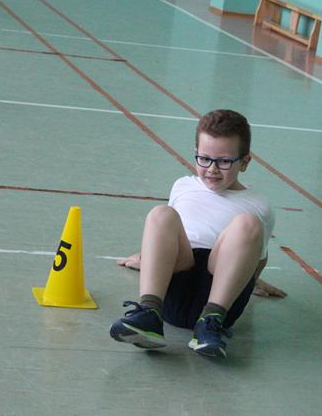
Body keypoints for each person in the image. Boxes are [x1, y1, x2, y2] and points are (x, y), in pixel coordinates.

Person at [110, 109, 286, 358]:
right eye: (204, 159)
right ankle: (149, 313)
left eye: (224, 161)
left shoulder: (259, 205)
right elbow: (170, 236)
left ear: (245, 161)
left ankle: (210, 321)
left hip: (219, 296)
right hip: (174, 293)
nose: (212, 169)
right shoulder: (183, 186)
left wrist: (250, 280)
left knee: (248, 223)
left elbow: (258, 257)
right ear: (195, 153)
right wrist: (147, 259)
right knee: (161, 214)